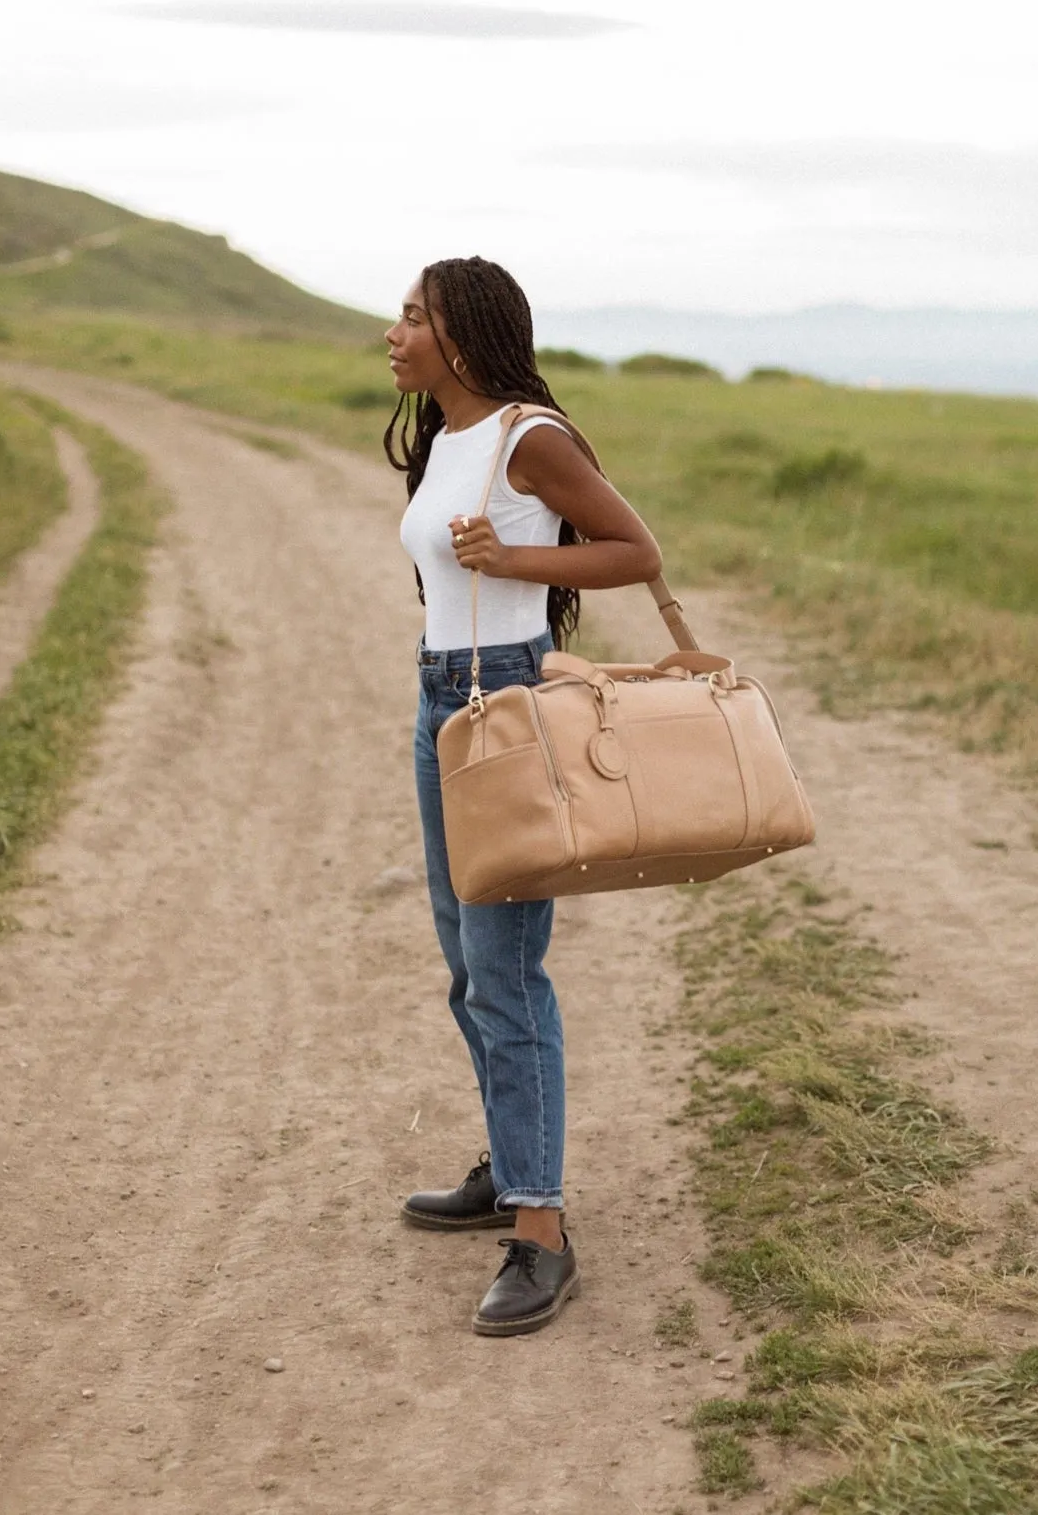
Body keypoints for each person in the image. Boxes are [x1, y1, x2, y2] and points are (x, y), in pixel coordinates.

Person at [383, 256, 662, 1336]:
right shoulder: (447, 439)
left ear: (465, 335)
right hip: (440, 699)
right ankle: (512, 1164)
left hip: (505, 698)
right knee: (467, 958)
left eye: (415, 316)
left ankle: (541, 1230)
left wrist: (515, 558)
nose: (395, 331)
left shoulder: (528, 437)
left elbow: (636, 551)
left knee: (505, 971)